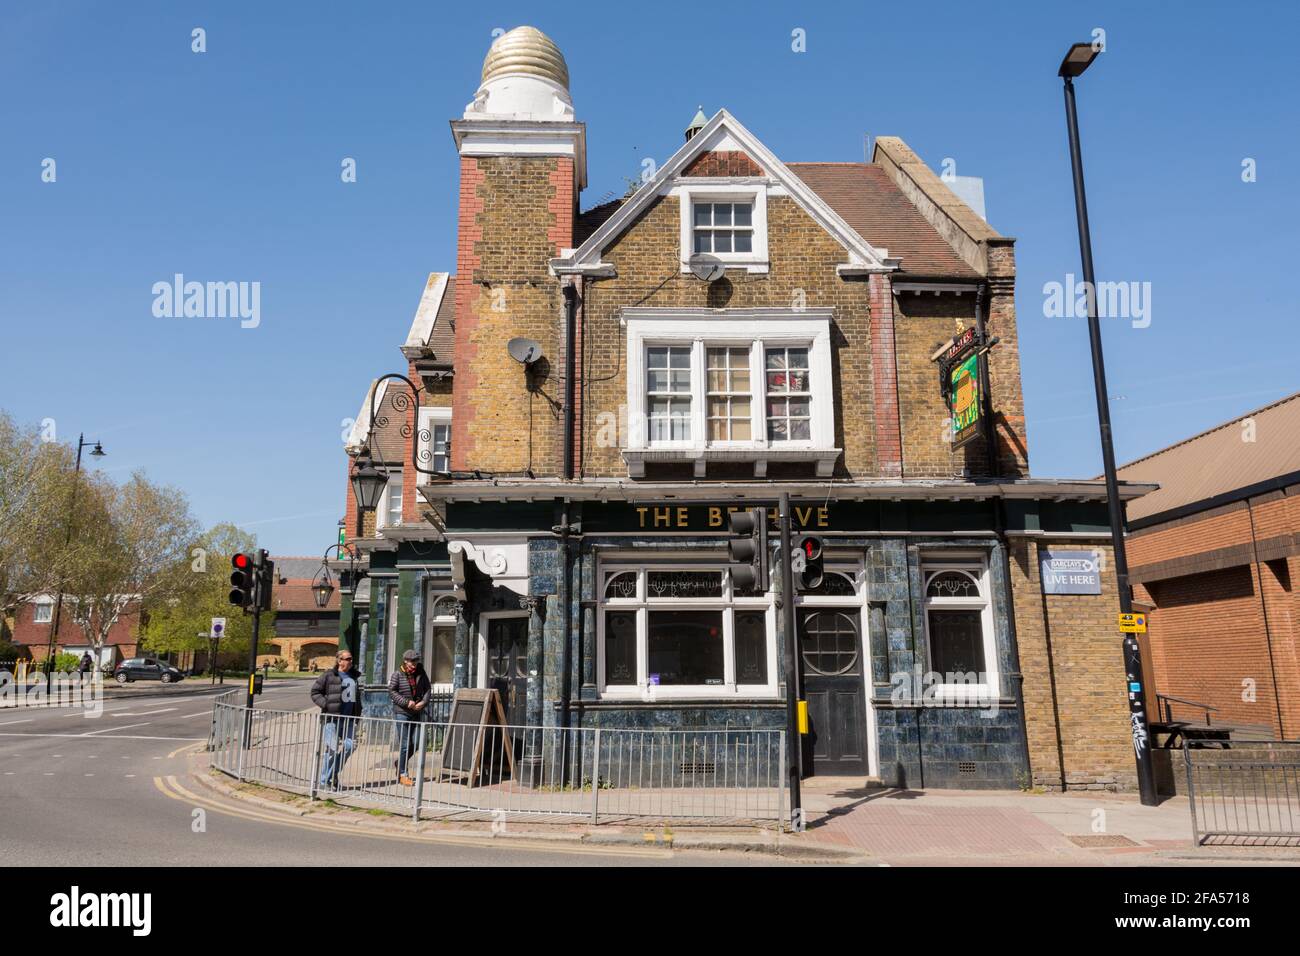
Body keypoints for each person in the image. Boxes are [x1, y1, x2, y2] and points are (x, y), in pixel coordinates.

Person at [311, 650, 360, 791]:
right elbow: (315, 692)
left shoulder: (354, 676)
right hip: (332, 718)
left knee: (350, 746)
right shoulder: (329, 675)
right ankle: (324, 781)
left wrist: (358, 714)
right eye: (348, 659)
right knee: (332, 750)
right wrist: (326, 704)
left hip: (349, 719)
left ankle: (332, 773)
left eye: (351, 659)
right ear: (339, 661)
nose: (350, 661)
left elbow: (356, 697)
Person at [387, 649, 431, 787]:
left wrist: (423, 702)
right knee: (405, 744)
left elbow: (428, 689)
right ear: (405, 661)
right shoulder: (397, 674)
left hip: (416, 712)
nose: (414, 664)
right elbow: (392, 692)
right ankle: (403, 774)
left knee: (417, 742)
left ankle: (399, 763)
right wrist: (407, 702)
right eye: (412, 661)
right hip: (402, 712)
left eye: (416, 661)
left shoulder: (421, 673)